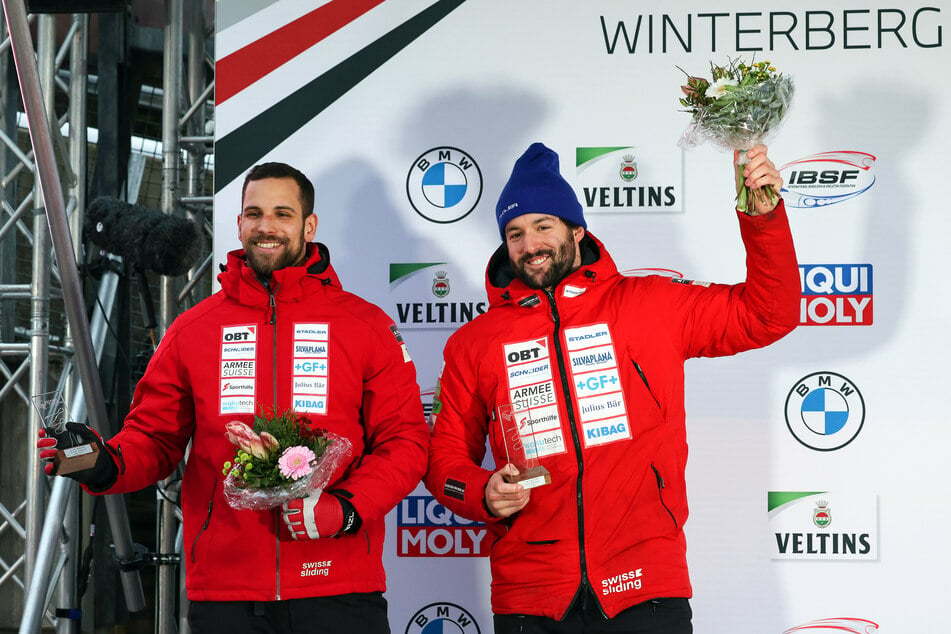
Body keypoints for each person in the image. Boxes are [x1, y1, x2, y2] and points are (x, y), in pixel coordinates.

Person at [38, 162, 430, 633]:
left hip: (338, 587)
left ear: (309, 225)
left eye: (283, 213)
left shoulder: (364, 325)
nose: (267, 226)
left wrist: (345, 509)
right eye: (254, 213)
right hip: (227, 596)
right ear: (239, 223)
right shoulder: (194, 328)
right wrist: (100, 460)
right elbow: (153, 439)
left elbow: (405, 443)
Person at [424, 142, 799, 633]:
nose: (529, 244)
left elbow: (768, 315)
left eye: (543, 226)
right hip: (530, 596)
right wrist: (481, 490)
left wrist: (763, 217)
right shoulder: (475, 342)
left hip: (644, 584)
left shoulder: (651, 305)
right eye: (514, 233)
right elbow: (443, 460)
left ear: (577, 231)